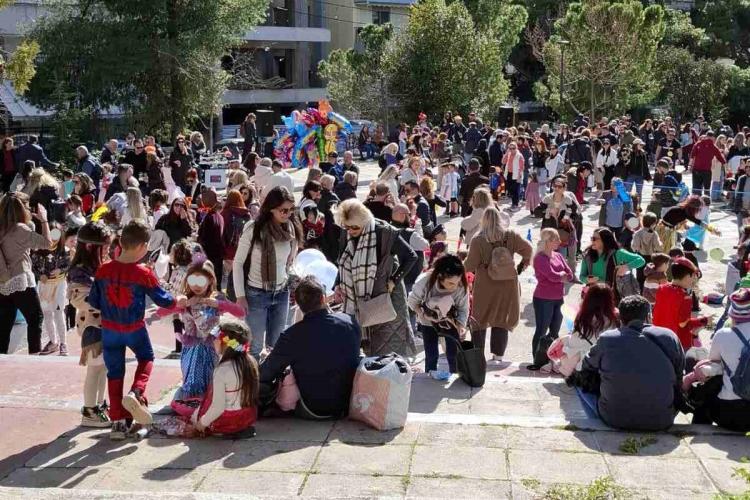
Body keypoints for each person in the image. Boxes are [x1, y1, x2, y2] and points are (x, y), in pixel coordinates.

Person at [88, 220, 178, 440]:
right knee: (146, 358)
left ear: (121, 242)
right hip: (134, 328)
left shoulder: (103, 270)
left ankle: (117, 423)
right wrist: (179, 300)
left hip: (109, 330)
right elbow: (164, 300)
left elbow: (94, 301)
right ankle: (136, 392)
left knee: (114, 373)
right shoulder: (143, 272)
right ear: (142, 246)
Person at [577, 295, 684, 431]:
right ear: (648, 316)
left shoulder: (607, 339)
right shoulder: (669, 336)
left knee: (578, 381)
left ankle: (596, 424)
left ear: (620, 318)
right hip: (662, 419)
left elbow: (586, 366)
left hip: (614, 419)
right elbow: (680, 374)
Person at [260, 276, 361, 418]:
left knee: (263, 383)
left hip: (313, 407)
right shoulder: (350, 322)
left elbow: (266, 373)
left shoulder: (292, 335)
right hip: (350, 403)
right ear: (323, 299)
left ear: (298, 305)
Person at [335, 199, 418, 357]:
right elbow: (342, 261)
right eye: (346, 227)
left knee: (388, 350)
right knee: (361, 348)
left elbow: (411, 256)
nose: (350, 231)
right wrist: (338, 283)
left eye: (355, 227)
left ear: (364, 220)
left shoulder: (384, 232)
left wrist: (394, 280)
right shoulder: (347, 232)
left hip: (386, 297)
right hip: (355, 298)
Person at [233, 187, 301, 358]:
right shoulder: (253, 228)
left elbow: (288, 262)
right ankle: (253, 375)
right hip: (256, 293)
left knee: (276, 345)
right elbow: (238, 263)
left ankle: (270, 376)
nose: (288, 214)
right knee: (254, 347)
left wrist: (292, 277)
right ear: (271, 208)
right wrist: (240, 296)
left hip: (281, 292)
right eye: (283, 210)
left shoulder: (290, 229)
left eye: (291, 210)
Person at [464, 207, 533, 363]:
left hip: (485, 285)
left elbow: (470, 265)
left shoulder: (478, 239)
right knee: (502, 319)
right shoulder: (511, 235)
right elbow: (528, 249)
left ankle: (478, 355)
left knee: (479, 319)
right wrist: (522, 265)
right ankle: (498, 356)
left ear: (484, 220)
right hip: (508, 284)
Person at [67, 222, 113, 427]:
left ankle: (100, 405)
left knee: (103, 369)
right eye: (104, 247)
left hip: (105, 325)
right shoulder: (80, 273)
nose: (107, 250)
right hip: (92, 327)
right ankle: (89, 410)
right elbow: (80, 300)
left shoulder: (99, 266)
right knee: (94, 369)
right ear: (89, 247)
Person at [689, 288, 750, 431]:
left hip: (728, 414)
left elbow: (713, 365)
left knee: (709, 384)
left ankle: (698, 430)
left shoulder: (722, 335)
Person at [0, 193, 51, 354]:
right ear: (21, 208)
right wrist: (44, 220)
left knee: (4, 324)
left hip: (3, 281)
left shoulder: (3, 228)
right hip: (20, 278)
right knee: (35, 318)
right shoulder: (20, 229)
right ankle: (34, 355)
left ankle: (2, 358)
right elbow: (47, 243)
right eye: (27, 206)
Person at [189, 319, 259, 435]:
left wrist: (201, 424)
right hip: (248, 417)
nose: (214, 341)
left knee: (187, 409)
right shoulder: (251, 361)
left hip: (228, 422)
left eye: (216, 338)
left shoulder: (222, 370)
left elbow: (218, 408)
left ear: (225, 343)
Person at [408, 254, 470, 381]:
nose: (454, 286)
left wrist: (461, 326)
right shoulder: (424, 281)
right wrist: (423, 314)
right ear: (440, 276)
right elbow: (412, 302)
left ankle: (455, 376)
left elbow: (463, 309)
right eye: (450, 283)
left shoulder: (461, 286)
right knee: (431, 353)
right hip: (428, 321)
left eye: (456, 282)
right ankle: (429, 377)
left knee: (453, 353)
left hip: (450, 321)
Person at [529, 228, 576, 370]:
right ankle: (537, 359)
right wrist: (561, 275)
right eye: (556, 239)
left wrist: (561, 275)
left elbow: (570, 273)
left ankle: (552, 359)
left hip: (558, 298)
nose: (559, 241)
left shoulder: (558, 255)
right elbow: (552, 275)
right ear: (547, 241)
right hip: (543, 299)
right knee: (541, 330)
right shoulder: (539, 258)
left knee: (555, 331)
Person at [549, 283, 618, 378]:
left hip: (580, 368)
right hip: (603, 369)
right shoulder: (614, 319)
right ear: (610, 299)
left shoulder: (581, 317)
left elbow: (574, 342)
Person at [652, 257, 710, 350]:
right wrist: (703, 320)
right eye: (693, 277)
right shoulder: (685, 297)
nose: (693, 280)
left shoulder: (662, 288)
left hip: (658, 336)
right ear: (687, 276)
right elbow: (683, 323)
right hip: (675, 341)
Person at [579, 228, 645, 294]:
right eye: (591, 238)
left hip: (611, 294)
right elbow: (581, 277)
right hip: (592, 293)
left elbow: (641, 260)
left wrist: (626, 267)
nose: (592, 241)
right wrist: (587, 280)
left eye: (594, 239)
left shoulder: (617, 254)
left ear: (604, 240)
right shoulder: (587, 255)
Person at [197, 189, 225, 280]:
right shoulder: (219, 216)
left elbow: (204, 238)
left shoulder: (209, 217)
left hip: (210, 255)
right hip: (218, 255)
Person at [503, 141, 525, 210]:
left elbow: (521, 168)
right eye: (510, 148)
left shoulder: (519, 156)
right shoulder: (508, 154)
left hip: (516, 175)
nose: (512, 150)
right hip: (509, 174)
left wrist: (519, 177)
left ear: (516, 148)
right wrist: (506, 153)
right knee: (510, 189)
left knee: (515, 190)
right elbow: (503, 161)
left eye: (513, 148)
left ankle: (515, 204)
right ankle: (514, 203)